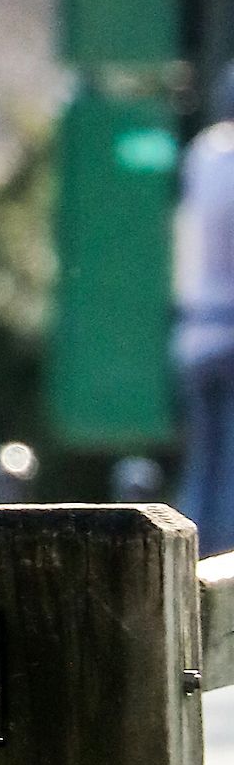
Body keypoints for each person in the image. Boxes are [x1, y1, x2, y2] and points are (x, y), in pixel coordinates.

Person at [176, 69, 234, 551]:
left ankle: (189, 573)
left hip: (196, 334)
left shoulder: (204, 154)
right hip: (229, 332)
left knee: (202, 473)